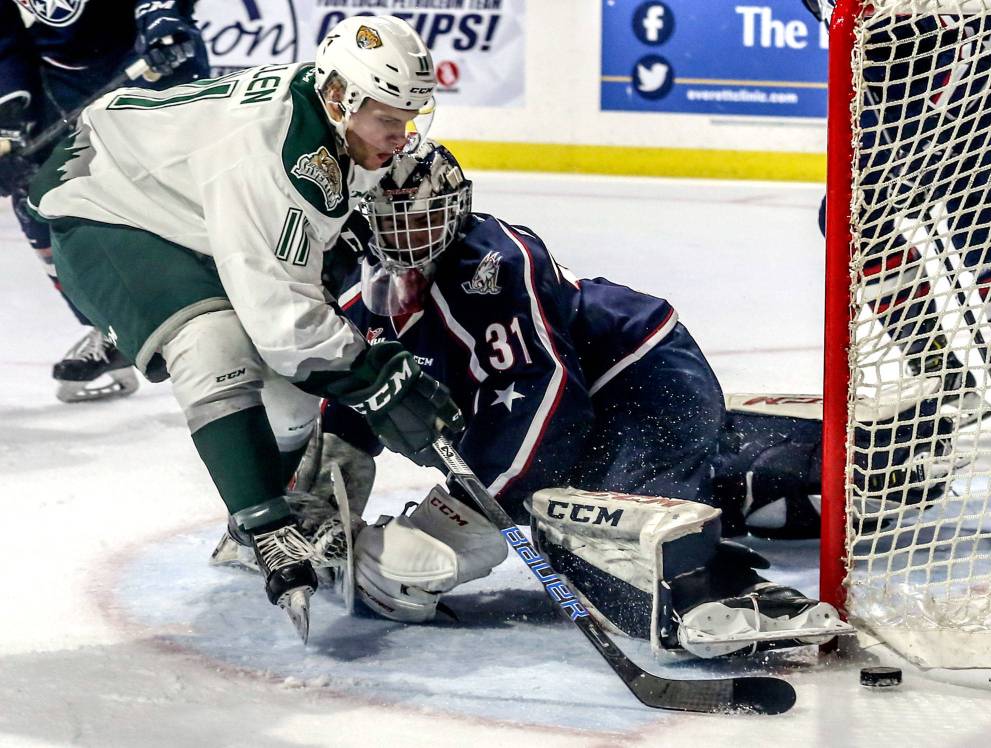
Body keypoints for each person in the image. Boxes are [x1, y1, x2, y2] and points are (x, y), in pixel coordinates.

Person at [279, 140, 879, 657]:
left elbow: (548, 410)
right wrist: (303, 511)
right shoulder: (361, 303)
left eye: (420, 218)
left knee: (597, 551)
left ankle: (719, 595)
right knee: (603, 500)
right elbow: (353, 405)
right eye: (388, 220)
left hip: (644, 382)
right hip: (589, 422)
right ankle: (788, 463)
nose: (405, 238)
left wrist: (458, 522)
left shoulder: (494, 262)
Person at [24, 15, 462, 641]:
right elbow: (286, 327)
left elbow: (295, 334)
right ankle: (262, 527)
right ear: (341, 98)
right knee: (214, 341)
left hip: (187, 204)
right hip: (103, 199)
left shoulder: (330, 125)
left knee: (292, 390)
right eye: (389, 121)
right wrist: (375, 378)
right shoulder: (274, 157)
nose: (401, 136)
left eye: (408, 120)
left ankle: (274, 500)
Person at [805, 0, 991, 443]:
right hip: (889, 71)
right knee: (853, 221)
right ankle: (947, 378)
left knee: (981, 223)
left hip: (975, 38)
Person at [0, 0, 210, 402]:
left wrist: (162, 21)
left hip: (145, 58)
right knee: (35, 201)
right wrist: (8, 121)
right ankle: (109, 327)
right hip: (56, 83)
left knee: (184, 191)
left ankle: (249, 309)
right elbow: (5, 40)